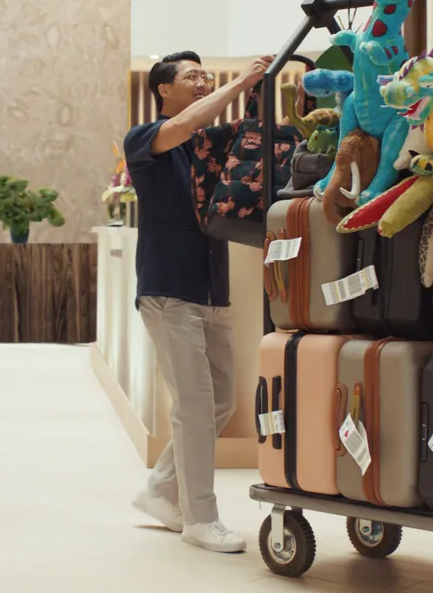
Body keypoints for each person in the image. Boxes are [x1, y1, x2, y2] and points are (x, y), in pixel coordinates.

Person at [123, 50, 274, 554]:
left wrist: (259, 87)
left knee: (222, 400)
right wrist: (239, 82)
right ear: (163, 89)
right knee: (193, 404)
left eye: (205, 75)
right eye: (192, 77)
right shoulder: (146, 138)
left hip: (213, 287)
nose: (203, 81)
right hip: (169, 290)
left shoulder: (210, 145)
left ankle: (160, 491)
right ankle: (199, 518)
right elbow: (187, 124)